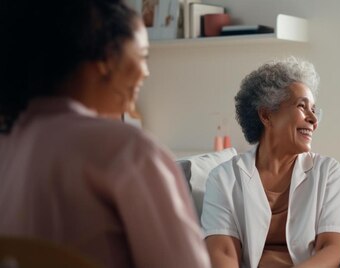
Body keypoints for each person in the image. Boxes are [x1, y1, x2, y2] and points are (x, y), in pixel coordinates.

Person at [0, 0, 209, 267]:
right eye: (143, 56)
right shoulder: (127, 150)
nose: (146, 72)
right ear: (107, 58)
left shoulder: (7, 144)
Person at [201, 57, 340, 268]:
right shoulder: (223, 178)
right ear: (267, 115)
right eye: (302, 106)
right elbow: (223, 253)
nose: (313, 119)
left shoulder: (328, 172)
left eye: (314, 109)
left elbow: (332, 249)